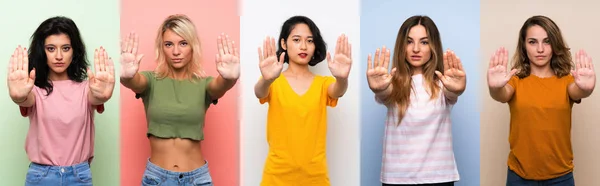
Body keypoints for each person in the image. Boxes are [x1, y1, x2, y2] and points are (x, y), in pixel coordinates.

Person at [119, 14, 239, 186]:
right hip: (157, 179)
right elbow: (134, 81)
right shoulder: (151, 80)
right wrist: (126, 76)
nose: (176, 51)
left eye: (183, 43)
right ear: (162, 48)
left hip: (197, 179)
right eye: (169, 44)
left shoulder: (204, 84)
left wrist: (230, 78)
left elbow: (220, 86)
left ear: (193, 46)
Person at [487, 15, 595, 186]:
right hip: (519, 176)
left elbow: (578, 91)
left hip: (561, 177)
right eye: (532, 42)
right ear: (524, 46)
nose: (540, 49)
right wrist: (494, 87)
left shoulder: (567, 81)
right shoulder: (515, 81)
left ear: (555, 44)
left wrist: (586, 88)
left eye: (547, 41)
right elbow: (501, 94)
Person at [7, 16, 115, 186]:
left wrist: (103, 95)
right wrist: (18, 96)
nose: (59, 56)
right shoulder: (33, 90)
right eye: (51, 48)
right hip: (41, 176)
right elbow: (25, 99)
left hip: (79, 176)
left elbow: (97, 96)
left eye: (65, 48)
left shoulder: (88, 88)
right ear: (42, 52)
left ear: (74, 51)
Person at [368, 15, 466, 186]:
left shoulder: (443, 82)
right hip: (397, 177)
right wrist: (379, 88)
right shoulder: (391, 81)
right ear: (402, 45)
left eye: (424, 42)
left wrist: (457, 89)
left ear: (433, 46)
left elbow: (452, 94)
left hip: (439, 177)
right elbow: (385, 93)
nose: (415, 49)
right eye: (409, 41)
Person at [254, 15, 352, 186]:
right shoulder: (274, 83)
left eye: (309, 40)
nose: (304, 46)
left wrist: (342, 78)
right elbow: (259, 91)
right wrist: (267, 79)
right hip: (276, 177)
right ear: (284, 44)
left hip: (315, 177)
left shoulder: (323, 84)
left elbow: (337, 91)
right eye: (297, 39)